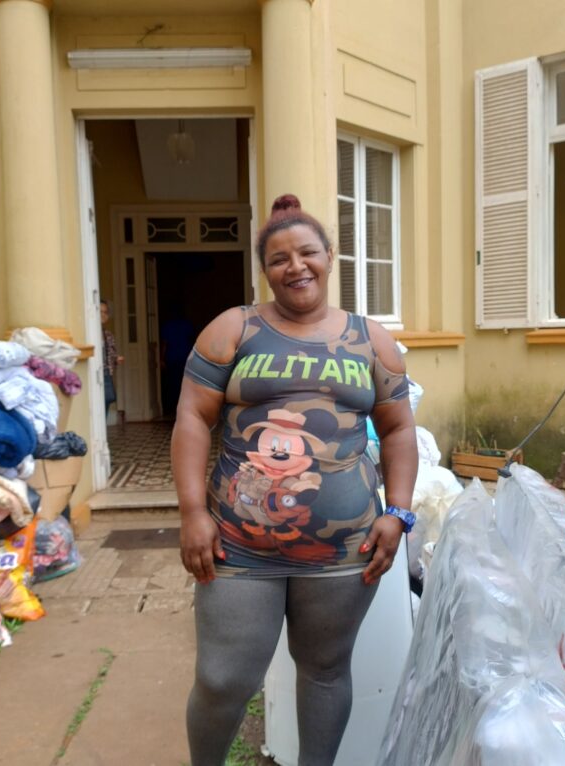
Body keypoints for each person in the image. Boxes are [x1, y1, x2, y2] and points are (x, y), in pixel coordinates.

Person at [172, 194, 418, 765]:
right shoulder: (234, 329)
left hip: (344, 549)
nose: (296, 266)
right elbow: (193, 418)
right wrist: (191, 513)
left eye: (308, 252)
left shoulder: (371, 340)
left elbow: (399, 430)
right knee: (222, 678)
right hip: (236, 545)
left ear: (330, 257)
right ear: (266, 270)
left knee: (326, 672)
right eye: (279, 258)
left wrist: (398, 511)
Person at [100, 299, 123, 427]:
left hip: (106, 372)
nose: (103, 315)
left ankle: (101, 431)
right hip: (94, 374)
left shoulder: (108, 334)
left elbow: (112, 353)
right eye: (100, 311)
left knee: (107, 401)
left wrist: (117, 358)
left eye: (105, 312)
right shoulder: (89, 334)